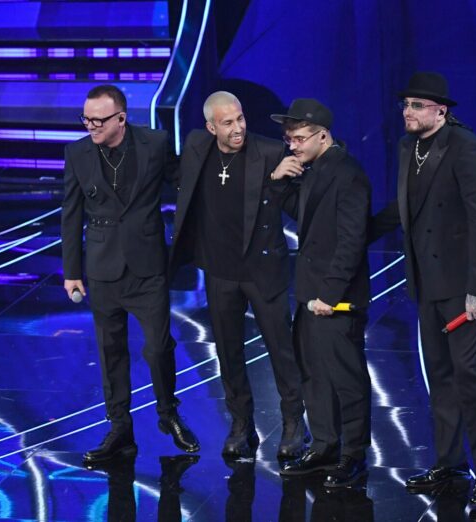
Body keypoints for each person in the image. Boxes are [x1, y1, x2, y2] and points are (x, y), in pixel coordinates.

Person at [371, 72, 476, 505]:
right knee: (438, 374)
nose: (408, 112)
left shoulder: (467, 148)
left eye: (417, 105)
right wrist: (358, 233)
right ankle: (448, 463)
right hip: (426, 280)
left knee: (469, 374)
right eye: (406, 104)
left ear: (441, 111)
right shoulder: (408, 147)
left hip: (463, 282)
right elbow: (404, 206)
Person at [62, 84, 200, 463]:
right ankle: (119, 427)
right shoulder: (77, 153)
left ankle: (168, 413)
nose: (91, 126)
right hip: (102, 267)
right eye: (86, 119)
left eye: (99, 120)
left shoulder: (154, 144)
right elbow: (71, 214)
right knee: (111, 351)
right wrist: (72, 270)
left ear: (121, 118)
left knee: (158, 347)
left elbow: (184, 179)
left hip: (147, 266)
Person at [169, 91, 308, 459]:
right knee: (228, 352)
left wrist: (278, 181)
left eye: (240, 118)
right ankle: (241, 424)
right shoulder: (197, 146)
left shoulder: (269, 152)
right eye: (227, 122)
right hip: (220, 270)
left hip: (263, 268)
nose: (238, 128)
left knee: (281, 349)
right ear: (210, 127)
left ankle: (294, 422)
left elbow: (298, 204)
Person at [272, 99, 372, 488]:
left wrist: (330, 294)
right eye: (289, 139)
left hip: (335, 296)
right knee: (313, 374)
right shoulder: (314, 170)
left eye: (298, 139)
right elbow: (305, 215)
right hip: (309, 291)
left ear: (323, 135)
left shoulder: (348, 174)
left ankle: (353, 454)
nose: (292, 146)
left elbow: (351, 240)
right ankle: (325, 445)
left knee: (346, 378)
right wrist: (279, 182)